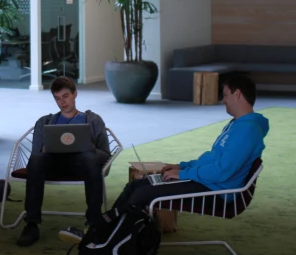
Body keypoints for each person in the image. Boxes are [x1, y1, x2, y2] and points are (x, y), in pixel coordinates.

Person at [60, 74, 269, 244]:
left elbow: (222, 171)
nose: (223, 100)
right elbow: (212, 159)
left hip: (218, 192)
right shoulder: (237, 125)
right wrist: (182, 166)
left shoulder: (248, 130)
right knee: (137, 186)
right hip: (207, 182)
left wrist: (183, 174)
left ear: (238, 94)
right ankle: (100, 230)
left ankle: (100, 237)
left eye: (225, 95)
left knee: (143, 194)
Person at [17, 76, 111, 247]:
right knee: (38, 159)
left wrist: (90, 148)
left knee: (89, 157)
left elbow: (105, 154)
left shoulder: (92, 120)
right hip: (52, 166)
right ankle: (31, 224)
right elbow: (35, 155)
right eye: (57, 98)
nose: (62, 102)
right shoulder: (44, 122)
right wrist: (45, 149)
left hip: (82, 167)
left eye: (66, 96)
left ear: (75, 94)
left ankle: (94, 222)